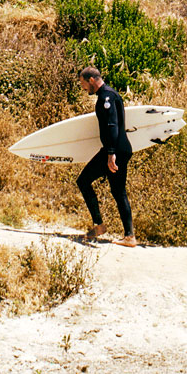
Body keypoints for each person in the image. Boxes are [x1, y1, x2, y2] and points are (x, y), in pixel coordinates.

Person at [76, 64, 136, 246]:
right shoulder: (110, 94)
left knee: (83, 181)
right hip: (120, 149)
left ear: (91, 80)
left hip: (115, 150)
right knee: (118, 192)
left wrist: (110, 153)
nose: (84, 88)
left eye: (83, 84)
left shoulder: (106, 97)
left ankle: (100, 225)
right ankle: (129, 236)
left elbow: (112, 125)